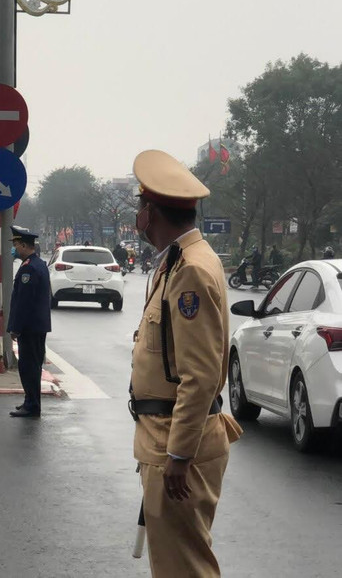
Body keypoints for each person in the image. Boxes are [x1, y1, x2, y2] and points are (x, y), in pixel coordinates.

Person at [129, 150, 242, 577]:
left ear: (151, 212)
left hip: (177, 446)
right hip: (162, 436)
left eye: (141, 208)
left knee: (185, 568)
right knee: (175, 563)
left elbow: (202, 373)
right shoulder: (176, 261)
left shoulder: (190, 269)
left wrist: (178, 454)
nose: (139, 217)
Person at [7, 225, 52, 419]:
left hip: (30, 327)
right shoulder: (37, 264)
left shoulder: (30, 269)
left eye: (16, 245)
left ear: (24, 245)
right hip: (37, 325)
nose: (14, 249)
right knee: (32, 365)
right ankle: (30, 401)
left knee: (29, 367)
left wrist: (16, 328)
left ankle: (32, 405)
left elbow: (24, 303)